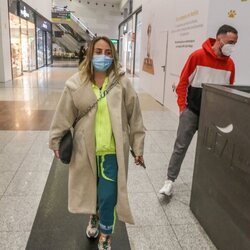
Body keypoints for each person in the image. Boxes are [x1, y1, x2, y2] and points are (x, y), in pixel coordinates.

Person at [49, 36, 145, 250]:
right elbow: (63, 114)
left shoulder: (121, 83)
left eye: (108, 52)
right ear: (90, 53)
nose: (103, 56)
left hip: (111, 151)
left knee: (108, 196)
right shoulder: (76, 83)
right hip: (85, 151)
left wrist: (137, 147)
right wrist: (55, 140)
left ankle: (105, 236)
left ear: (114, 56)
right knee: (91, 191)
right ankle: (93, 216)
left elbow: (135, 116)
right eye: (99, 51)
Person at [159, 24, 238, 196]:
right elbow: (182, 84)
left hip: (213, 116)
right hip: (192, 112)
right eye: (231, 41)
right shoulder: (198, 56)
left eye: (235, 43)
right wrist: (182, 108)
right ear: (219, 39)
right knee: (180, 147)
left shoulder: (230, 64)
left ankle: (207, 183)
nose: (233, 46)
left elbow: (228, 92)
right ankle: (169, 181)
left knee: (211, 150)